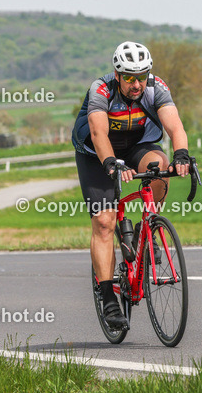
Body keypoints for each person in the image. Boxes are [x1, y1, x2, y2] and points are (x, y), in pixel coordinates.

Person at [71, 41, 190, 331]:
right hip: (97, 152)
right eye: (129, 78)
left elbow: (174, 125)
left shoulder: (156, 87)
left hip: (138, 145)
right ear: (117, 74)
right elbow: (98, 132)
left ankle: (145, 229)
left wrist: (182, 154)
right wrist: (110, 162)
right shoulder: (100, 89)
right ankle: (109, 295)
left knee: (160, 167)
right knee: (104, 222)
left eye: (142, 76)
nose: (137, 84)